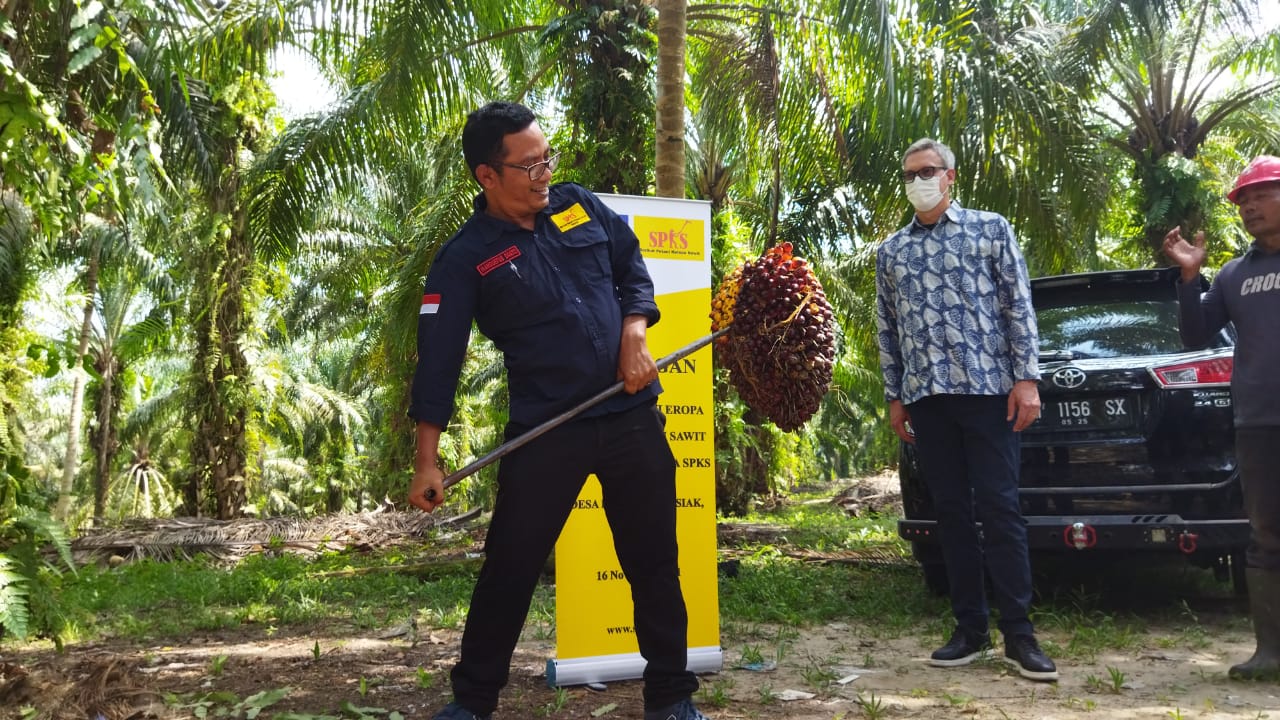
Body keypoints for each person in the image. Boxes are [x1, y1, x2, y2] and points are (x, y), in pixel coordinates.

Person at [406, 101, 708, 720]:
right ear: (487, 176)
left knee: (654, 562)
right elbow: (439, 357)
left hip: (629, 417)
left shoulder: (578, 204)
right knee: (509, 568)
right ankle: (472, 702)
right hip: (547, 432)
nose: (545, 174)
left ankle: (672, 698)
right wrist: (426, 460)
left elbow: (631, 267)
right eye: (529, 166)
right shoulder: (466, 258)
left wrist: (635, 333)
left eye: (547, 159)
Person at [874, 138, 1058, 681]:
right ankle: (970, 629)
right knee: (950, 513)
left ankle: (1019, 635)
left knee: (1000, 509)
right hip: (927, 399)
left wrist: (1026, 378)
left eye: (927, 172)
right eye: (909, 175)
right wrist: (894, 395)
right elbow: (887, 328)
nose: (917, 182)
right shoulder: (893, 252)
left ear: (950, 177)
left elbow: (1017, 305)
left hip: (988, 392)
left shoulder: (990, 229)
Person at [1162, 155, 1280, 682]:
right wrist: (1190, 276)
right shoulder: (1235, 274)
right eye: (1244, 200)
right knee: (1266, 536)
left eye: (1261, 195)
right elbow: (1195, 336)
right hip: (1259, 423)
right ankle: (1270, 652)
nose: (1250, 206)